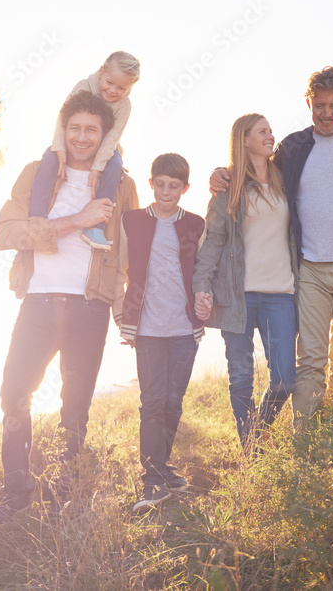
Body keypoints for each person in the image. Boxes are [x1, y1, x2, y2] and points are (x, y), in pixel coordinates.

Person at [0, 90, 139, 524]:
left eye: (92, 129)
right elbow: (4, 232)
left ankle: (66, 488)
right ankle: (16, 493)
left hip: (89, 307)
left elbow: (132, 249)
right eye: (75, 128)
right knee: (14, 393)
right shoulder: (37, 174)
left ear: (104, 134)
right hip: (38, 303)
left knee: (75, 405)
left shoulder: (121, 183)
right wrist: (78, 220)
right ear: (63, 129)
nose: (82, 136)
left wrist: (130, 307)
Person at [213, 67, 333, 427]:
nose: (327, 113)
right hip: (310, 271)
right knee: (310, 361)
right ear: (309, 103)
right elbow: (256, 173)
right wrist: (222, 174)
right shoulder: (291, 148)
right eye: (319, 105)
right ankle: (305, 438)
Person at [193, 114, 300, 451]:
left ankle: (257, 432)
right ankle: (251, 452)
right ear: (243, 140)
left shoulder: (286, 180)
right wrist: (202, 287)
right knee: (241, 377)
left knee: (285, 379)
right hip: (236, 297)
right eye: (262, 131)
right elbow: (211, 245)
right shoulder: (229, 189)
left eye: (270, 130)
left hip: (280, 293)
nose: (270, 136)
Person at [114, 153, 206, 512]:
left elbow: (203, 271)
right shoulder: (132, 221)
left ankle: (162, 467)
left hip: (184, 328)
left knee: (172, 401)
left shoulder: (195, 225)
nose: (166, 192)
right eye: (160, 184)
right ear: (151, 183)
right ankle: (152, 479)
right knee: (151, 402)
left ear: (185, 188)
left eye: (175, 186)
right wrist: (120, 311)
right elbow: (120, 266)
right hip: (148, 328)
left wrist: (205, 298)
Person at [29, 51, 141, 250]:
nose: (113, 90)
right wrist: (60, 148)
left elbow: (112, 139)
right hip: (69, 140)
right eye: (109, 82)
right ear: (101, 72)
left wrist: (97, 168)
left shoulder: (124, 106)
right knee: (49, 157)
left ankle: (95, 227)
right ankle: (37, 217)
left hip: (106, 146)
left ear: (130, 88)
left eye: (122, 87)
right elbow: (63, 118)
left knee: (115, 165)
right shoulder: (83, 87)